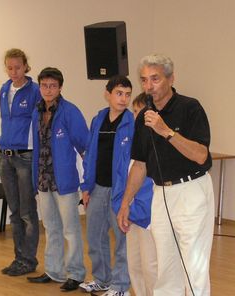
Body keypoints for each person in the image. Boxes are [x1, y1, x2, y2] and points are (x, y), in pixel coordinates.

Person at [117, 54, 214, 296]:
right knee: (166, 267)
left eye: (155, 79)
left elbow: (201, 155)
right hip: (160, 193)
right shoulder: (143, 117)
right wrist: (125, 203)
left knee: (193, 266)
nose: (149, 86)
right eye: (144, 80)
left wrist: (166, 131)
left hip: (191, 191)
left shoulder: (190, 107)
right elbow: (139, 164)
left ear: (171, 78)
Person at [27, 67, 88, 292]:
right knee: (51, 227)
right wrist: (35, 178)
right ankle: (54, 271)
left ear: (60, 87)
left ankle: (76, 274)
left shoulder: (70, 112)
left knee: (70, 229)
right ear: (40, 87)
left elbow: (85, 146)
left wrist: (86, 182)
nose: (48, 89)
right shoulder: (37, 111)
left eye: (53, 86)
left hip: (65, 181)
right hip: (43, 179)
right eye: (44, 85)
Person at [80, 75, 139, 296]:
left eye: (127, 94)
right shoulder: (98, 119)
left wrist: (129, 194)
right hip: (97, 188)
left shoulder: (132, 123)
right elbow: (89, 154)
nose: (123, 99)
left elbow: (135, 162)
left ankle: (121, 286)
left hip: (120, 191)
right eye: (119, 93)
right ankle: (102, 280)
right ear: (108, 94)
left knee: (122, 239)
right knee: (95, 236)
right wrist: (86, 186)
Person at [0, 48, 40, 276]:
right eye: (9, 67)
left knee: (27, 211)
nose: (13, 72)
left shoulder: (34, 91)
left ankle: (28, 260)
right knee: (14, 212)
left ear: (26, 66)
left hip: (25, 156)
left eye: (17, 67)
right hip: (5, 155)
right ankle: (18, 258)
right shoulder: (4, 89)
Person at [121, 92, 157, 296]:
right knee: (134, 265)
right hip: (132, 213)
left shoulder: (155, 144)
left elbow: (150, 186)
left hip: (148, 216)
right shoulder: (133, 141)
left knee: (150, 267)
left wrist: (140, 212)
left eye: (138, 112)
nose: (134, 116)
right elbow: (125, 179)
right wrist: (124, 207)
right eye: (134, 112)